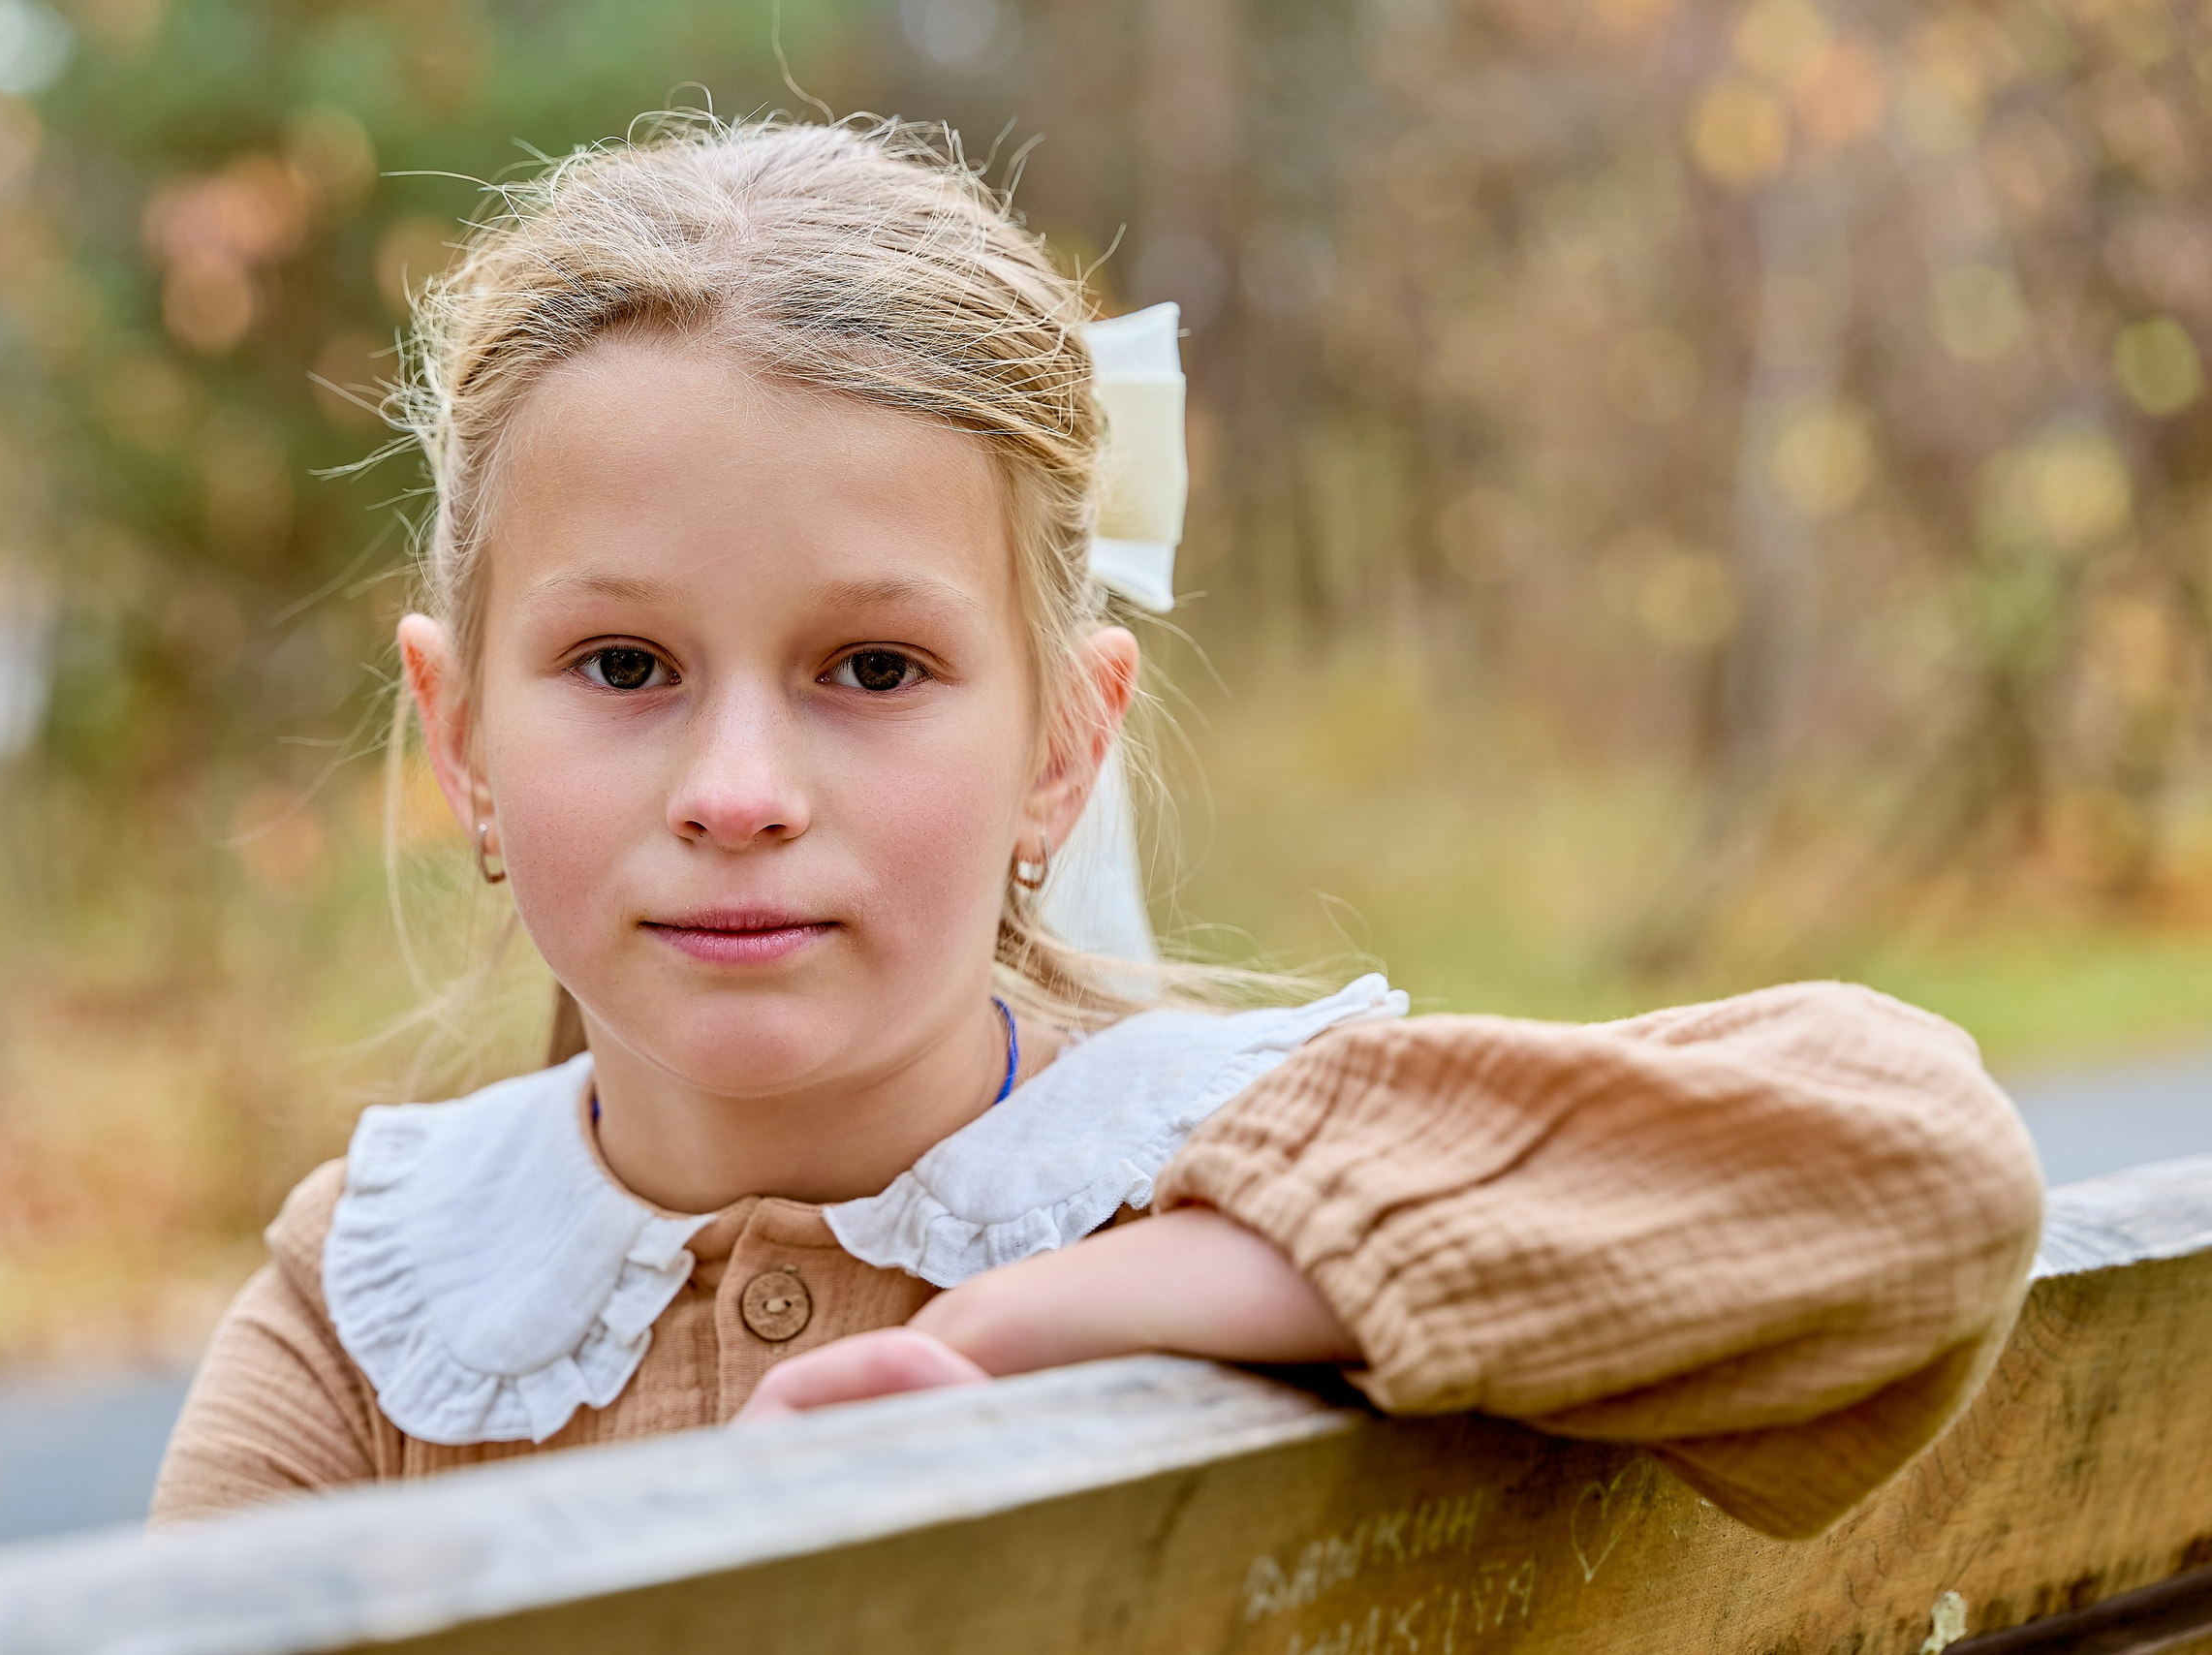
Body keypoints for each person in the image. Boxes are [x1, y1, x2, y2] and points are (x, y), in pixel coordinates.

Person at [149, 116, 2044, 1542]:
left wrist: (1065, 1319)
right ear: (460, 736)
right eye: (625, 662)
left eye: (872, 668)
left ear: (1064, 746)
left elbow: (1912, 1168)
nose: (737, 788)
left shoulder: (1210, 1154)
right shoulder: (385, 1298)